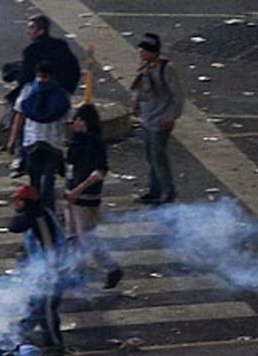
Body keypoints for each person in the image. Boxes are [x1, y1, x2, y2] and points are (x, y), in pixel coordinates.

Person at [64, 104, 123, 290]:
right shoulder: (77, 141)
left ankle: (112, 267)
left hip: (86, 196)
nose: (75, 123)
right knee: (73, 236)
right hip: (72, 194)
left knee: (86, 237)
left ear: (86, 122)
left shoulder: (94, 143)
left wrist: (78, 189)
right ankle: (76, 271)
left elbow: (100, 171)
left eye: (78, 120)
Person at [9, 185, 66, 353]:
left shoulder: (41, 219)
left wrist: (50, 273)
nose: (16, 204)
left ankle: (56, 344)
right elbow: (15, 226)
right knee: (35, 304)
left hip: (52, 270)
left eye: (19, 200)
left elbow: (50, 247)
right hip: (40, 270)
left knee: (47, 308)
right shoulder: (33, 216)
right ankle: (23, 333)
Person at [8, 61, 71, 213]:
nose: (41, 80)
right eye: (39, 76)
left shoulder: (55, 95)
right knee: (37, 179)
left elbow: (67, 122)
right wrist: (12, 139)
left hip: (46, 141)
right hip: (40, 141)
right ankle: (40, 210)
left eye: (44, 77)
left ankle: (45, 210)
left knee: (46, 180)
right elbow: (19, 117)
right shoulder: (34, 92)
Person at [131, 33, 184, 205]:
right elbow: (140, 86)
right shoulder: (145, 66)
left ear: (153, 52)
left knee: (158, 157)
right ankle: (155, 190)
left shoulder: (166, 69)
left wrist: (171, 117)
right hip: (148, 117)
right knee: (150, 156)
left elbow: (178, 97)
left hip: (161, 119)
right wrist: (136, 101)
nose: (140, 52)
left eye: (144, 50)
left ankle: (168, 191)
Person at [19, 15, 80, 95]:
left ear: (41, 31)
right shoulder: (60, 44)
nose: (28, 31)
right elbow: (74, 68)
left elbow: (26, 76)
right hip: (64, 89)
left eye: (31, 28)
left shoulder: (32, 50)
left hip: (41, 92)